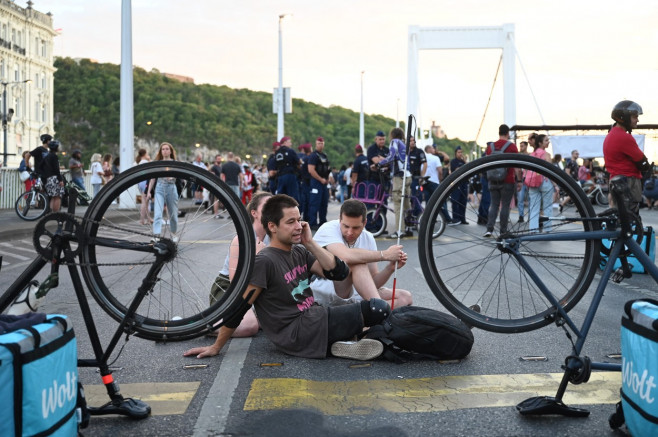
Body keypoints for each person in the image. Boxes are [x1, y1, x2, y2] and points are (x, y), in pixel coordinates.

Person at [183, 194, 389, 361]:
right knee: (378, 309)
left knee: (390, 321)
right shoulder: (264, 261)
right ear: (272, 226)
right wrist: (216, 346)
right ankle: (348, 340)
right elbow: (240, 307)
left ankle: (341, 343)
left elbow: (339, 272)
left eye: (299, 220)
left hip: (315, 319)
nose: (298, 226)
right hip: (298, 332)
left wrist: (310, 243)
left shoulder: (299, 252)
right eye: (291, 222)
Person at [310, 199, 412, 308]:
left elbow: (372, 283)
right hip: (325, 293)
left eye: (355, 228)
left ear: (364, 223)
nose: (350, 232)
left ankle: (368, 315)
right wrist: (385, 254)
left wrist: (390, 268)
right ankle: (379, 312)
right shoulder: (328, 228)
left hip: (355, 294)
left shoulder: (368, 237)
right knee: (357, 263)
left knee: (405, 297)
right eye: (346, 226)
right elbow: (346, 256)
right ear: (340, 220)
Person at [209, 192, 273, 338]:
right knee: (249, 327)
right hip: (229, 289)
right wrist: (258, 256)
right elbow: (235, 282)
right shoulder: (242, 238)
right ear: (254, 213)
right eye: (267, 207)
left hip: (257, 289)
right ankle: (196, 327)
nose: (272, 210)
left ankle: (253, 317)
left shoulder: (273, 236)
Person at [603, 100, 652, 214]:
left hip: (616, 180)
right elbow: (642, 161)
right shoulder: (624, 137)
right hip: (628, 181)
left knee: (620, 216)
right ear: (623, 117)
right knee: (631, 219)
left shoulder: (611, 134)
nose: (637, 120)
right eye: (635, 117)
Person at [484, 124, 520, 238]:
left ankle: (489, 229)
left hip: (492, 180)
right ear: (507, 133)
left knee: (493, 204)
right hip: (507, 180)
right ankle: (503, 231)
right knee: (505, 205)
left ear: (499, 132)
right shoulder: (512, 146)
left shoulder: (490, 147)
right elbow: (517, 166)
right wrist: (519, 180)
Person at [377, 128, 412, 239]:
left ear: (392, 135)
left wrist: (380, 163)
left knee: (398, 204)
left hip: (399, 177)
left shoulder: (394, 142)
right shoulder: (404, 144)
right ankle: (408, 227)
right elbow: (400, 160)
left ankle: (399, 231)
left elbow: (391, 157)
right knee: (406, 203)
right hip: (408, 175)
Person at [147, 142, 179, 242]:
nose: (165, 151)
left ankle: (173, 234)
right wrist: (149, 192)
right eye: (163, 149)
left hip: (171, 187)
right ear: (161, 151)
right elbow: (152, 178)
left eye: (167, 149)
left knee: (173, 214)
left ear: (170, 151)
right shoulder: (158, 162)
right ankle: (156, 235)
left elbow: (179, 175)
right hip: (160, 187)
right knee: (157, 213)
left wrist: (172, 177)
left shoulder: (175, 162)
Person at [527, 134, 554, 232]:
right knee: (547, 207)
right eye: (546, 140)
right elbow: (551, 172)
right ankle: (547, 229)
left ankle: (533, 230)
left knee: (534, 208)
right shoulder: (546, 155)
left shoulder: (531, 155)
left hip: (532, 183)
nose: (548, 142)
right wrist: (556, 185)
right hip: (545, 182)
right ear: (540, 143)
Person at [307, 136, 332, 229]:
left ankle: (322, 221)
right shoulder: (313, 156)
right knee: (314, 203)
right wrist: (320, 179)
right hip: (316, 183)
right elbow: (311, 170)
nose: (320, 145)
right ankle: (313, 223)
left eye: (322, 143)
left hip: (324, 183)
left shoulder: (324, 155)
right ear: (316, 144)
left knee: (324, 203)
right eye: (318, 143)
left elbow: (327, 169)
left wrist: (327, 179)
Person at [41, 140, 65, 213]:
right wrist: (60, 180)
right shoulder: (54, 156)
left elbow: (41, 166)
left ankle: (51, 213)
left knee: (53, 197)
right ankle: (56, 213)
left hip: (48, 179)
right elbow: (56, 170)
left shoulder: (47, 156)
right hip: (54, 179)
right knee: (58, 197)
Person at [274, 136, 300, 201]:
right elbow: (298, 161)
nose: (291, 144)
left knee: (281, 197)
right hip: (290, 175)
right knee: (292, 197)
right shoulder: (290, 151)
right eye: (289, 142)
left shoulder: (277, 153)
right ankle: (293, 210)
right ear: (285, 142)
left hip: (280, 176)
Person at [407, 136, 427, 219]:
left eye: (413, 141)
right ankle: (409, 218)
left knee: (416, 199)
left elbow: (425, 164)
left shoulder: (419, 152)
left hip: (415, 178)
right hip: (406, 178)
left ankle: (418, 218)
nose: (412, 142)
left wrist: (421, 177)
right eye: (410, 140)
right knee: (407, 199)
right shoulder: (405, 152)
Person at [449, 146, 469, 225]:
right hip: (457, 184)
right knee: (455, 201)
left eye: (461, 152)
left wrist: (464, 160)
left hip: (464, 183)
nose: (460, 154)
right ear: (455, 153)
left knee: (463, 202)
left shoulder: (463, 161)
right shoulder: (454, 161)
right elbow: (457, 170)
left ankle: (462, 218)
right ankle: (455, 218)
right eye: (459, 152)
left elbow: (468, 168)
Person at [135, 148, 153, 225]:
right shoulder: (145, 162)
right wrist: (149, 160)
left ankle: (148, 218)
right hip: (145, 182)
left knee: (145, 202)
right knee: (145, 202)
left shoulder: (139, 162)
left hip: (141, 183)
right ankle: (142, 220)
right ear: (145, 154)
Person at [297, 143, 312, 221]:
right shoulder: (308, 158)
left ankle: (303, 216)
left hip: (301, 180)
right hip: (308, 181)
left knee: (303, 200)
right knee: (308, 200)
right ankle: (307, 217)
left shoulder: (300, 157)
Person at [516, 140, 530, 223]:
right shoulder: (518, 156)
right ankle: (521, 216)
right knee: (520, 199)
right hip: (521, 179)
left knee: (530, 199)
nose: (520, 147)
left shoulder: (530, 156)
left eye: (522, 146)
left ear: (526, 146)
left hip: (528, 179)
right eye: (520, 146)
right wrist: (519, 180)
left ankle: (530, 216)